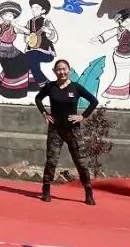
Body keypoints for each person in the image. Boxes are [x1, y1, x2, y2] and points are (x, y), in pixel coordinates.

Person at [34, 59, 99, 205]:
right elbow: (38, 98)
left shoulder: (76, 87)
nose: (61, 72)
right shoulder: (50, 87)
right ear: (54, 71)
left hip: (73, 130)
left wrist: (83, 116)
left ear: (69, 70)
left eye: (64, 69)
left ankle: (88, 191)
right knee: (51, 161)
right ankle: (46, 189)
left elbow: (94, 101)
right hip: (55, 130)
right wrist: (44, 113)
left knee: (81, 162)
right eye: (58, 69)